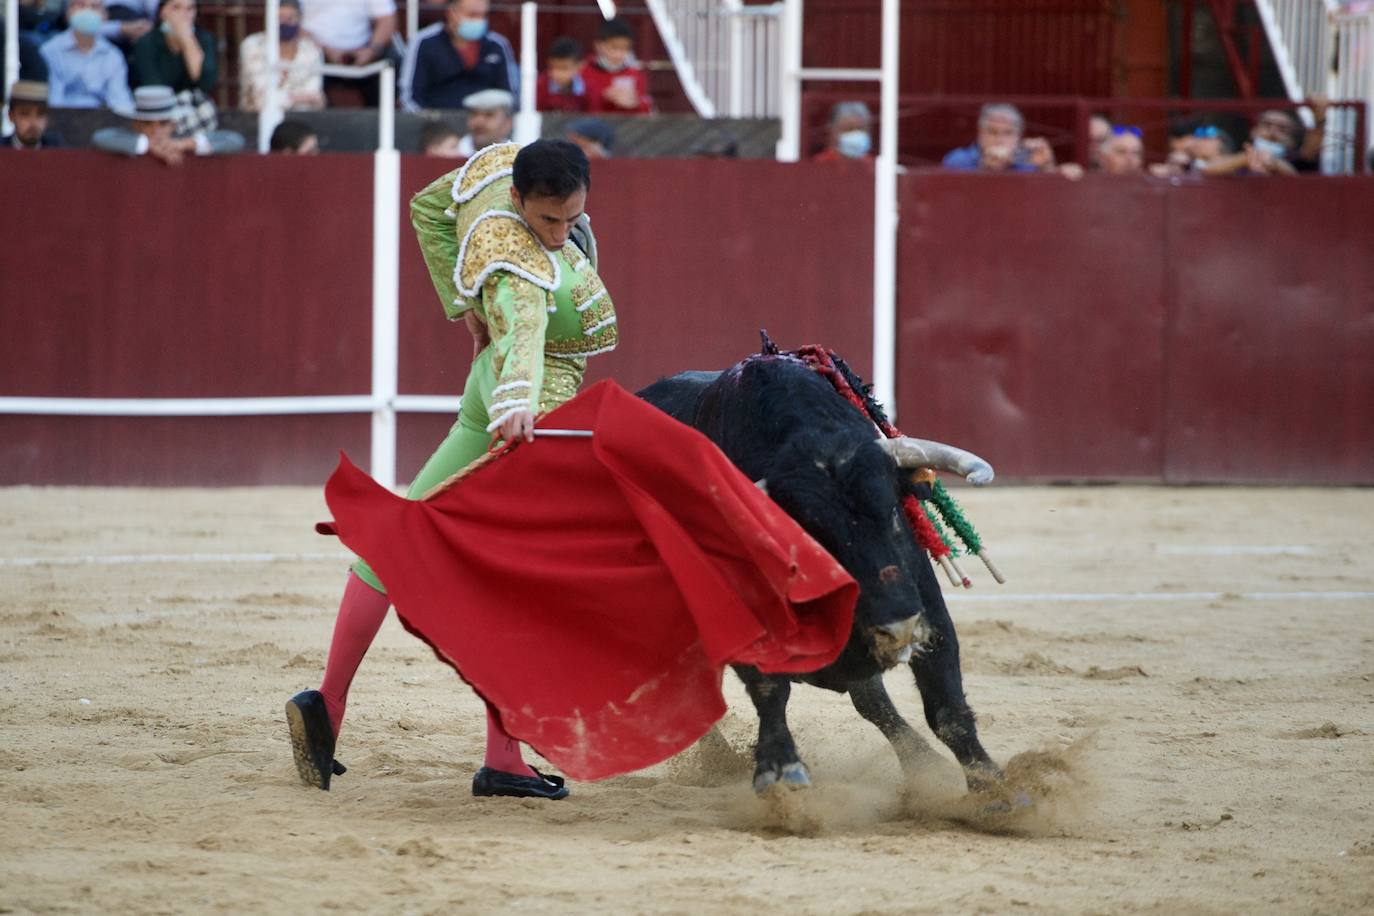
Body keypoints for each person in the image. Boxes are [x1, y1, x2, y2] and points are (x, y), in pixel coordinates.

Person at [285, 139, 618, 800]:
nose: (557, 235)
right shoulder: (519, 259)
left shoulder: (499, 169)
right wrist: (520, 404)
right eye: (548, 221)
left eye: (570, 219)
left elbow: (428, 207)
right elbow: (525, 329)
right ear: (521, 201)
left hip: (482, 386)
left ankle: (329, 702)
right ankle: (503, 758)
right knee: (523, 583)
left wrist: (462, 306)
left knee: (401, 532)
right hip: (531, 401)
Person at [406, 0, 516, 112]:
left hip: (488, 124)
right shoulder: (425, 42)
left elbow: (510, 95)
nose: (479, 20)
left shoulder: (497, 45)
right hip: (437, 123)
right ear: (451, 13)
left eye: (484, 15)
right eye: (472, 15)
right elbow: (410, 97)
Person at [91, 83, 243, 163]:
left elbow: (234, 141)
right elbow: (101, 138)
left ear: (173, 124)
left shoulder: (182, 138)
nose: (156, 130)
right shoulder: (128, 139)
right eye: (148, 124)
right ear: (137, 124)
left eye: (162, 123)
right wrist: (150, 146)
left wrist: (182, 145)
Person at [40, 0, 135, 111]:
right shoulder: (50, 51)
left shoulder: (113, 56)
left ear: (105, 15)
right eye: (81, 5)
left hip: (102, 122)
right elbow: (52, 101)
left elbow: (120, 103)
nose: (87, 11)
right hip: (60, 121)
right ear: (68, 11)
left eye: (94, 7)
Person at [302, 0, 396, 107]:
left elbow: (387, 19)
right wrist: (325, 49)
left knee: (389, 63)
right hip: (314, 51)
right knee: (305, 62)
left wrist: (371, 50)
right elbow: (288, 17)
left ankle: (381, 119)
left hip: (363, 53)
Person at [238, 0, 326, 113]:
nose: (285, 23)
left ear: (300, 19)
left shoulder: (312, 49)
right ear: (269, 18)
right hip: (255, 119)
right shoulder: (253, 45)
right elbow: (261, 99)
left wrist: (308, 98)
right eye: (280, 17)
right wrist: (302, 98)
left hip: (300, 119)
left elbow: (314, 95)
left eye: (291, 18)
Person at [941, 103, 1057, 173]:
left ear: (1018, 137)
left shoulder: (1029, 163)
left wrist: (1046, 166)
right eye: (992, 132)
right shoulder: (957, 160)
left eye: (1008, 133)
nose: (999, 139)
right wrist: (985, 169)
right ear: (980, 133)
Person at [581, 17, 651, 114]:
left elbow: (646, 109)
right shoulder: (584, 72)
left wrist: (635, 103)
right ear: (598, 45)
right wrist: (604, 97)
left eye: (625, 48)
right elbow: (577, 105)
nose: (619, 54)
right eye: (614, 47)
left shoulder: (635, 75)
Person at [453, 86, 511, 157]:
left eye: (489, 114)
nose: (478, 122)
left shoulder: (517, 157)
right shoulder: (451, 154)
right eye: (474, 114)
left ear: (507, 123)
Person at [3, 80, 63, 148]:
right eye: (25, 114)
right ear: (11, 116)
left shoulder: (57, 149)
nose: (33, 122)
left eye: (40, 114)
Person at [536, 36, 586, 113]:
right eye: (552, 67)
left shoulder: (588, 87)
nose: (556, 73)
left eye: (564, 68)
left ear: (579, 67)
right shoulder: (539, 87)